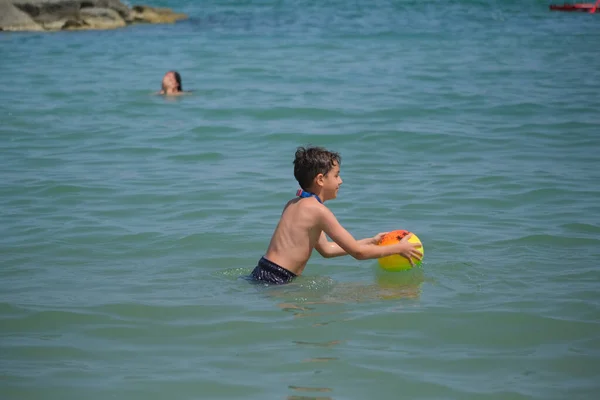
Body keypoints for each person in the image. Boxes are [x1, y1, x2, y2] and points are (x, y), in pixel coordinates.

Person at [249, 146, 423, 285]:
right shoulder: (318, 211)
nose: (341, 181)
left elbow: (326, 250)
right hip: (277, 279)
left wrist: (370, 241)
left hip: (263, 271)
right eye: (337, 175)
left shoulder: (294, 203)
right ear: (320, 180)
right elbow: (358, 253)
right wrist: (398, 249)